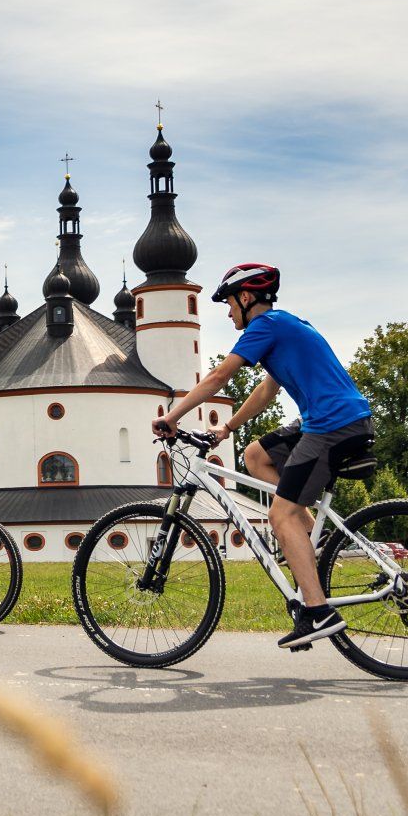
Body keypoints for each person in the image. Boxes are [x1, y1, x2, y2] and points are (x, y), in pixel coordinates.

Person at [150, 263, 374, 649]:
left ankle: (319, 612)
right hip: (332, 421)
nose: (228, 312)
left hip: (332, 425)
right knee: (256, 456)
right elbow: (268, 389)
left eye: (229, 303)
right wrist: (227, 428)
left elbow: (219, 377)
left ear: (247, 297)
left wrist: (172, 415)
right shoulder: (286, 327)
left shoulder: (264, 328)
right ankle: (308, 539)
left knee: (278, 514)